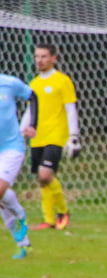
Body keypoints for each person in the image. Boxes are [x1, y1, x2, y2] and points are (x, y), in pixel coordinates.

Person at [20, 43, 81, 230]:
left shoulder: (62, 81)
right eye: (37, 56)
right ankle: (49, 220)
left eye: (44, 56)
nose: (39, 60)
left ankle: (63, 211)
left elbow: (71, 109)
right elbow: (31, 111)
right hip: (38, 136)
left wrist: (73, 136)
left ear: (54, 58)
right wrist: (20, 132)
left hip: (56, 135)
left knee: (45, 175)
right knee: (42, 178)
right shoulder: (34, 83)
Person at [0, 73, 38, 259]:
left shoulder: (9, 83)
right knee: (2, 200)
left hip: (11, 148)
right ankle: (22, 242)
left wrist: (33, 124)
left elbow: (33, 96)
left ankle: (20, 216)